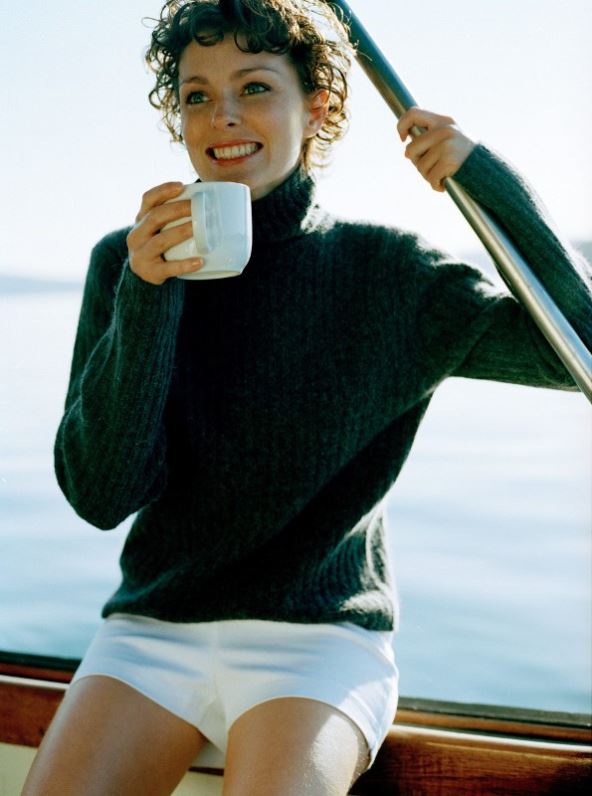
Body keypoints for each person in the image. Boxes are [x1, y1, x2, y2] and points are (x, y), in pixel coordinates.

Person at [23, 0, 591, 794]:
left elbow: (579, 349)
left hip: (319, 642)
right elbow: (101, 496)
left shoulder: (390, 273)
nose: (222, 116)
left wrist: (486, 179)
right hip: (152, 630)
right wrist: (149, 295)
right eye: (195, 95)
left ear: (315, 107)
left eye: (254, 87)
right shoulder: (128, 262)